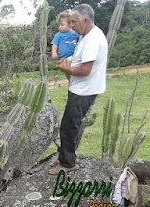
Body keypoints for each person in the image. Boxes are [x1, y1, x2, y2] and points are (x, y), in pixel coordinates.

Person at [48, 4, 108, 175]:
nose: (71, 26)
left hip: (84, 91)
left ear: (86, 21)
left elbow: (84, 70)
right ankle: (63, 157)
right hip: (81, 88)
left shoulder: (92, 39)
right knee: (68, 125)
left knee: (68, 127)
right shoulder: (86, 35)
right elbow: (78, 60)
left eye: (74, 22)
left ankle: (67, 164)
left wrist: (65, 69)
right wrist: (67, 62)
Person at [51, 11, 80, 81]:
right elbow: (54, 45)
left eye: (62, 25)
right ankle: (70, 81)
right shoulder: (59, 35)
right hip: (63, 58)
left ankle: (73, 81)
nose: (60, 27)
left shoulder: (75, 33)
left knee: (74, 71)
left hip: (74, 57)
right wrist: (54, 53)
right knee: (67, 71)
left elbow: (80, 41)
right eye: (59, 25)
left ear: (70, 25)